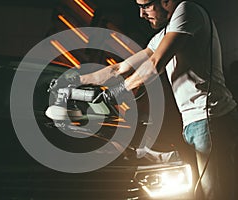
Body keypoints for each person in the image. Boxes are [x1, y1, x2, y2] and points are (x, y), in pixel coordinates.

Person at [76, 0, 238, 199]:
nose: (141, 14)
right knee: (198, 194)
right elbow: (118, 68)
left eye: (145, 6)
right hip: (194, 122)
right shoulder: (163, 36)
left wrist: (114, 94)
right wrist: (76, 79)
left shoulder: (187, 10)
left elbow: (155, 65)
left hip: (210, 117)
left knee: (216, 195)